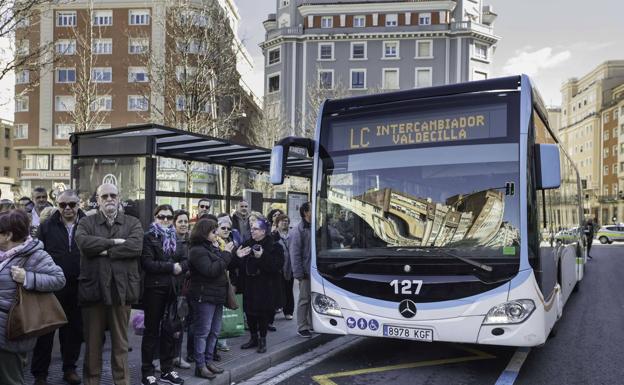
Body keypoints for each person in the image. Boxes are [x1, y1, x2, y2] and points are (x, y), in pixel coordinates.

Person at [74, 183, 144, 385]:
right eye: (104, 196)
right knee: (93, 345)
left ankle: (121, 382)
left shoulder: (133, 223)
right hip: (93, 290)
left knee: (121, 344)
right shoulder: (87, 222)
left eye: (113, 195)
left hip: (121, 291)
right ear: (97, 200)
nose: (109, 199)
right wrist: (115, 243)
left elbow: (135, 246)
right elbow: (84, 244)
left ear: (119, 197)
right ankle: (91, 381)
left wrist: (103, 250)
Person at [0, 209, 66, 385]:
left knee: (10, 379)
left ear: (8, 235)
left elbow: (59, 279)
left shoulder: (35, 255)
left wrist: (27, 277)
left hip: (10, 331)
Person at [31, 191, 85, 385]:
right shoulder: (47, 226)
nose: (68, 208)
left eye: (72, 204)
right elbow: (36, 254)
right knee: (46, 331)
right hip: (51, 287)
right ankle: (40, 374)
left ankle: (69, 368)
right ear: (57, 205)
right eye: (63, 205)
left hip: (78, 285)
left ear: (79, 204)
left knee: (73, 331)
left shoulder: (87, 225)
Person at [140, 204, 187, 385]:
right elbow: (147, 263)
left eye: (168, 217)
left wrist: (180, 267)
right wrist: (171, 267)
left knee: (170, 331)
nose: (165, 220)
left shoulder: (176, 237)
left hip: (172, 289)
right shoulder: (149, 236)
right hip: (154, 289)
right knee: (151, 331)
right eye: (162, 217)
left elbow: (185, 260)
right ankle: (147, 372)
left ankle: (167, 370)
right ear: (155, 217)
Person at [188, 218, 233, 379]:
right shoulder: (197, 250)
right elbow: (211, 270)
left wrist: (225, 253)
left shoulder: (211, 247)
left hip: (216, 296)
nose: (216, 234)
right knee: (203, 332)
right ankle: (200, 366)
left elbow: (222, 265)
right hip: (203, 296)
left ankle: (208, 362)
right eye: (213, 232)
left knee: (214, 331)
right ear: (204, 232)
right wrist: (226, 253)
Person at [236, 218, 284, 353]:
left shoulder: (274, 245)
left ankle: (262, 339)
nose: (252, 231)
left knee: (262, 314)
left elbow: (276, 266)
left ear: (263, 231)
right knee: (249, 313)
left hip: (265, 286)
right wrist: (238, 256)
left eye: (255, 229)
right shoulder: (246, 244)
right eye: (251, 228)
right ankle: (253, 338)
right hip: (249, 285)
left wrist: (262, 257)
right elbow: (238, 264)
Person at [171, 210, 192, 370]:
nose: (184, 224)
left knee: (180, 324)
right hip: (171, 287)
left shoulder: (190, 241)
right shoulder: (169, 240)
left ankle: (177, 357)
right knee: (166, 325)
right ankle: (162, 359)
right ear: (174, 223)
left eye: (186, 221)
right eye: (180, 221)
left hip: (185, 289)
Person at [289, 202, 313, 338]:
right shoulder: (298, 230)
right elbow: (295, 254)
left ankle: (310, 323)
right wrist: (299, 273)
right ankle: (302, 326)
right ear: (306, 212)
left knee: (311, 298)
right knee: (304, 299)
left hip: (314, 271)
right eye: (311, 209)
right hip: (305, 272)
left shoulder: (314, 227)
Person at [273, 214, 294, 320]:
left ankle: (288, 311)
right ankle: (277, 307)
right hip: (278, 267)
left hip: (290, 266)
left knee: (289, 289)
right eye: (282, 221)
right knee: (278, 289)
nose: (285, 223)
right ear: (277, 223)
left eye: (286, 221)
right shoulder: (274, 235)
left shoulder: (292, 234)